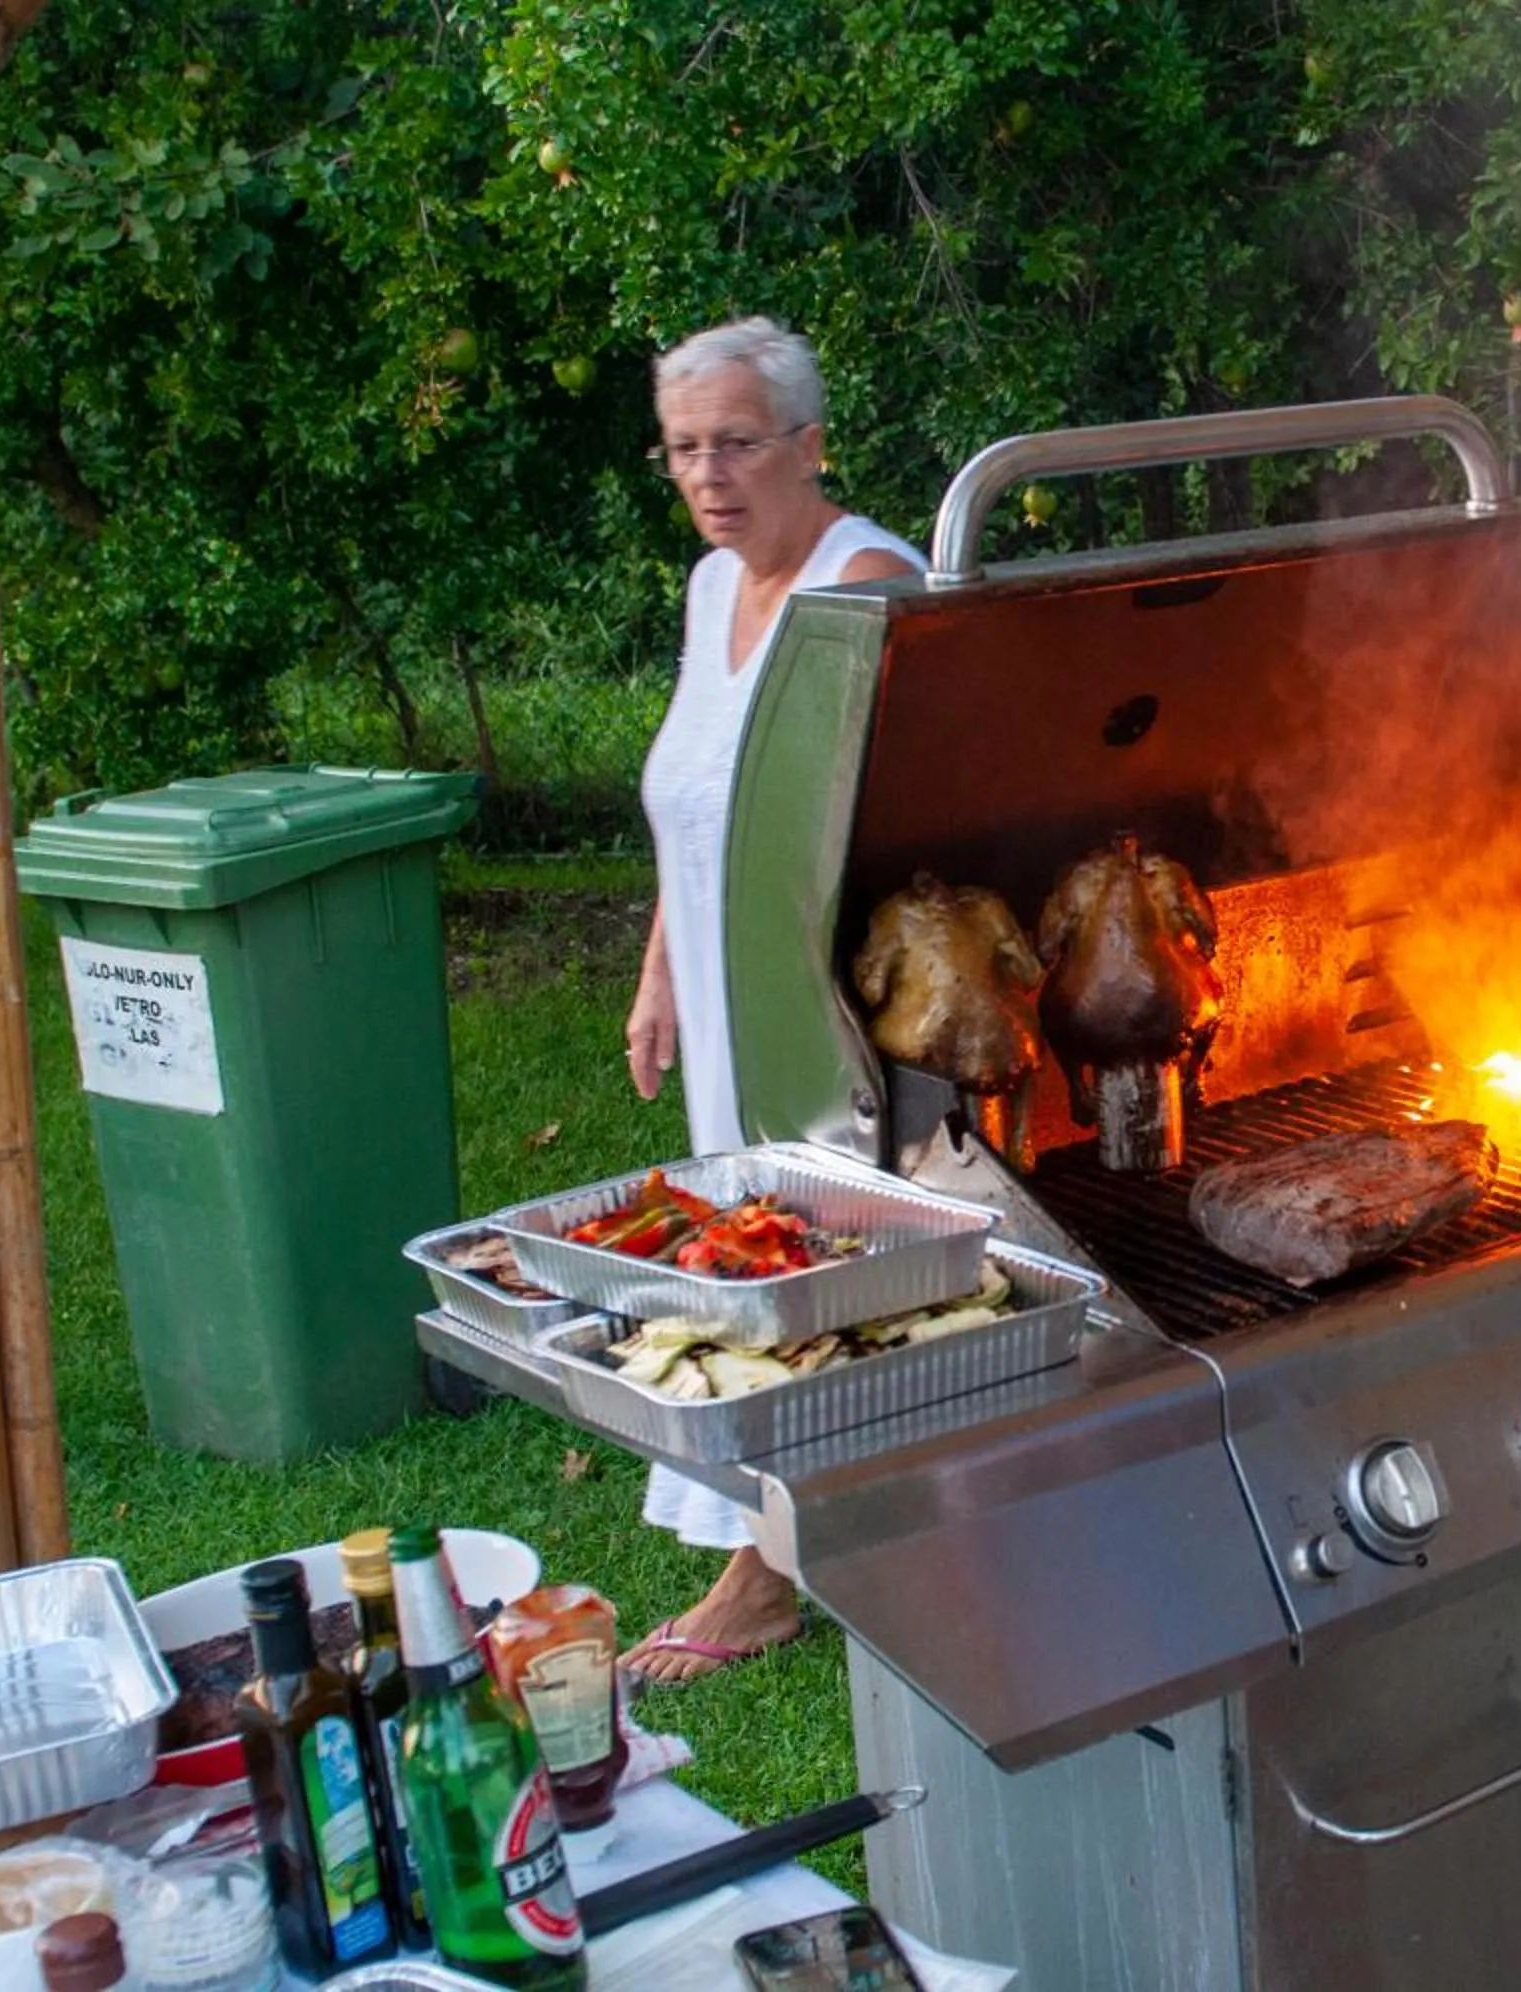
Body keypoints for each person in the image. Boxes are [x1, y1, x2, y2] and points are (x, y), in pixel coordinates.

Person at [622, 316, 923, 1684]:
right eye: (686, 448)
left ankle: (770, 1575)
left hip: (823, 1011)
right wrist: (662, 967)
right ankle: (777, 1533)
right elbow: (697, 796)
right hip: (729, 997)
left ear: (811, 444)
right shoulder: (704, 589)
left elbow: (875, 836)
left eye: (738, 442)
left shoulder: (867, 590)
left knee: (824, 1259)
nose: (709, 474)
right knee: (756, 1253)